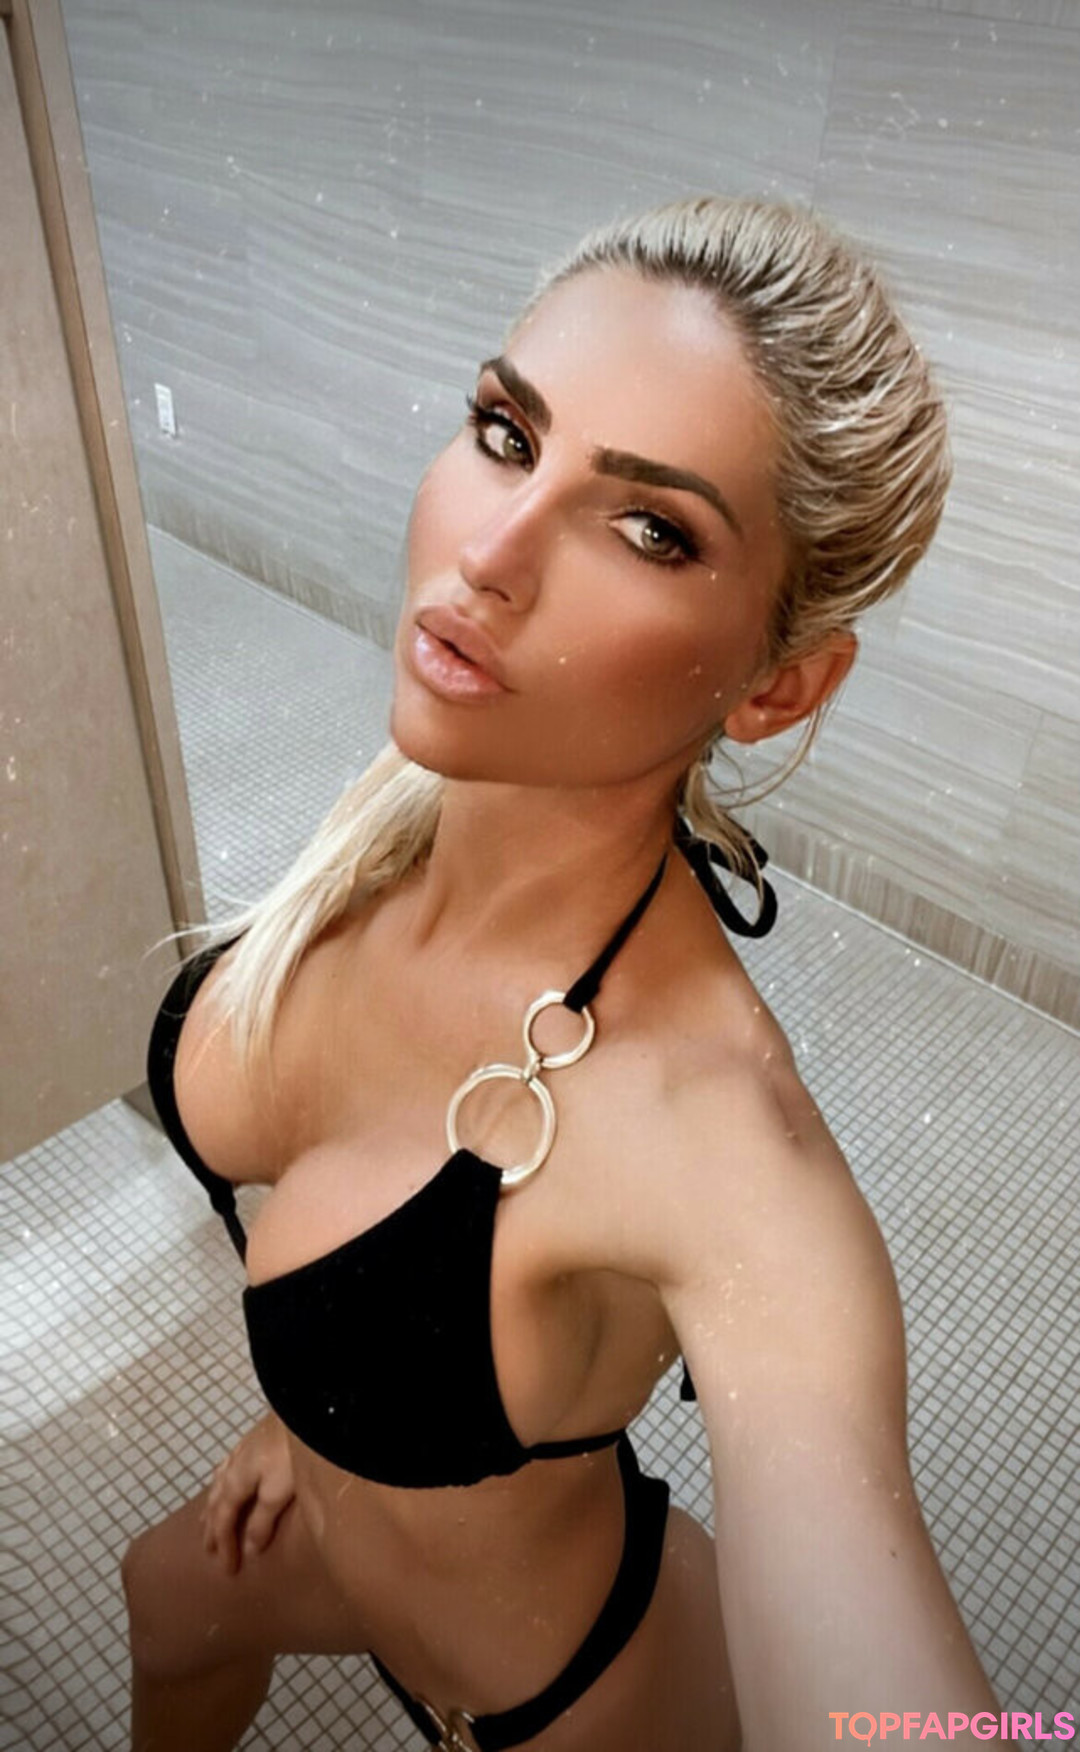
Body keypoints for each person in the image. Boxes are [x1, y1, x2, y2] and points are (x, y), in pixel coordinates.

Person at [125, 196, 1003, 1751]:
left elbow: (895, 1716)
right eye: (506, 435)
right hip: (336, 1520)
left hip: (565, 1692)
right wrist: (309, 1414)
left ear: (778, 685)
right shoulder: (407, 812)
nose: (487, 553)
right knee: (165, 1600)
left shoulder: (724, 1151)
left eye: (653, 528)